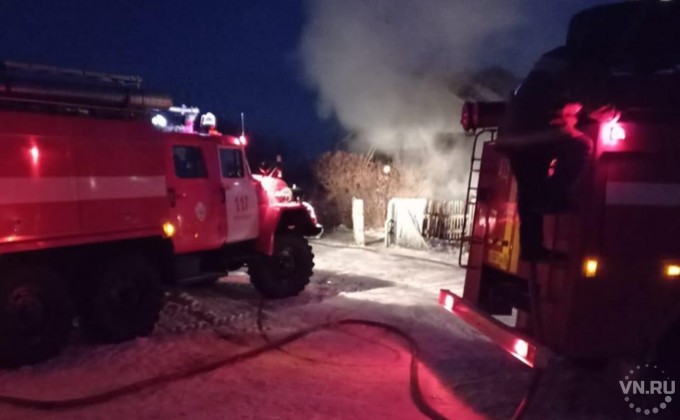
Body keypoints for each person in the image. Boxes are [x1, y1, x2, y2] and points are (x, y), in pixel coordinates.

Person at [497, 46, 618, 261]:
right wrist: (612, 114)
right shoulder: (582, 65)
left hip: (512, 135)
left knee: (529, 192)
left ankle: (532, 248)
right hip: (539, 131)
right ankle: (554, 197)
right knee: (581, 145)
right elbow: (591, 98)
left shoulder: (553, 61)